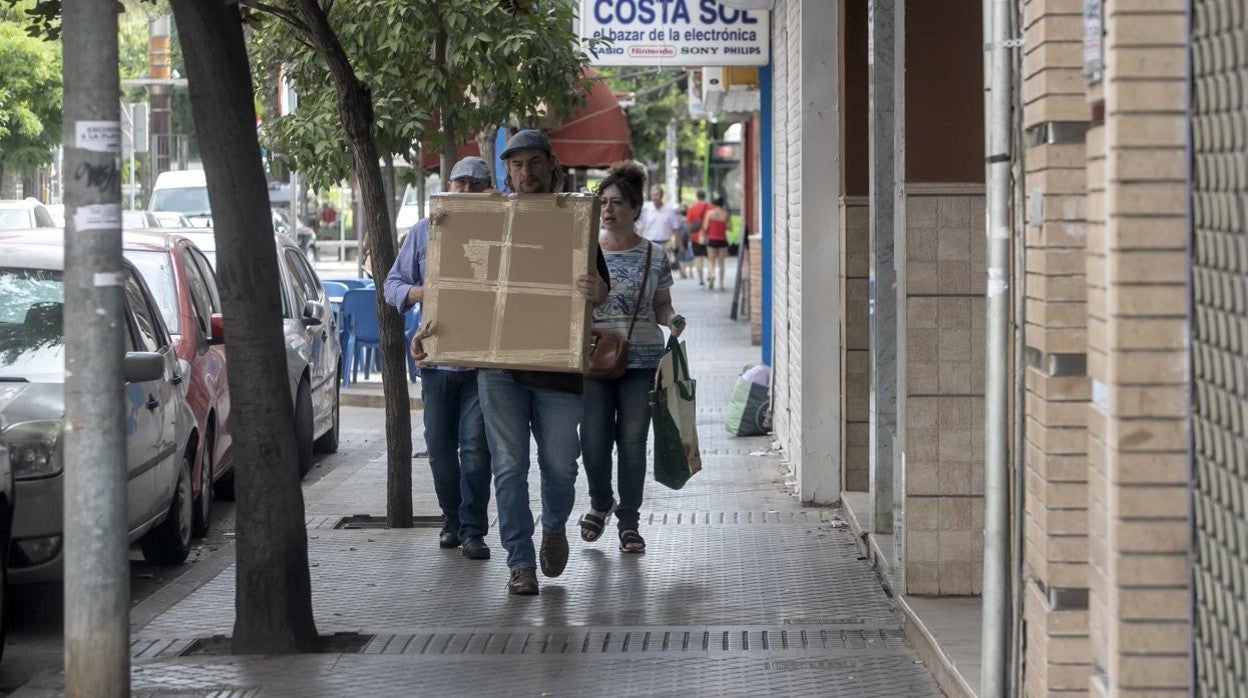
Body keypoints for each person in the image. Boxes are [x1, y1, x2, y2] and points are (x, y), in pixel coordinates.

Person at [459, 130, 609, 596]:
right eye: (517, 164)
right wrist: (436, 333)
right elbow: (461, 285)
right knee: (508, 466)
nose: (526, 172)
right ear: (506, 170)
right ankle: (520, 562)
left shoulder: (573, 219)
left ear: (551, 164)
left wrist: (597, 290)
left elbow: (600, 287)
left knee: (561, 466)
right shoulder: (490, 218)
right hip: (499, 366)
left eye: (534, 162)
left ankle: (554, 527)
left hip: (557, 367)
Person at [383, 156, 494, 561]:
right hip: (436, 360)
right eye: (460, 184)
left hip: (483, 363)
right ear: (448, 186)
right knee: (440, 448)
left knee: (476, 449)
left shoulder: (500, 232)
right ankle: (452, 520)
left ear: (489, 191)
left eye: (476, 186)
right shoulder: (423, 231)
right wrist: (423, 291)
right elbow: (392, 284)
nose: (466, 192)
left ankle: (473, 530)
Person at [579, 162, 684, 555]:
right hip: (594, 359)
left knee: (633, 442)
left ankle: (629, 522)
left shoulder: (654, 255)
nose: (608, 210)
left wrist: (671, 320)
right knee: (593, 440)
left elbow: (662, 304)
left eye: (617, 202)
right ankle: (600, 500)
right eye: (603, 202)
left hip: (641, 361)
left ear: (636, 208)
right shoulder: (584, 252)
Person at [637, 185, 682, 269]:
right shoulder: (646, 209)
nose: (655, 197)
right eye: (653, 195)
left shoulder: (669, 209)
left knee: (663, 269)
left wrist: (680, 244)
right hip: (649, 244)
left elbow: (675, 228)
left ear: (662, 195)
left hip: (664, 244)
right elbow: (640, 228)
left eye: (657, 195)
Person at [702, 196, 732, 291]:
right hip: (722, 240)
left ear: (714, 204)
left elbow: (705, 227)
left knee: (711, 261)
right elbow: (730, 227)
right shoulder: (726, 214)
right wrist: (723, 224)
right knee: (721, 263)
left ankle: (712, 274)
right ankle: (721, 285)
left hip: (712, 239)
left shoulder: (710, 213)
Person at [684, 189, 710, 286]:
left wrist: (689, 237)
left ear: (697, 196)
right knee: (709, 258)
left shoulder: (692, 208)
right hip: (708, 236)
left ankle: (701, 279)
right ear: (704, 196)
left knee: (698, 258)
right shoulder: (710, 207)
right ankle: (710, 274)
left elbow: (688, 224)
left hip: (695, 237)